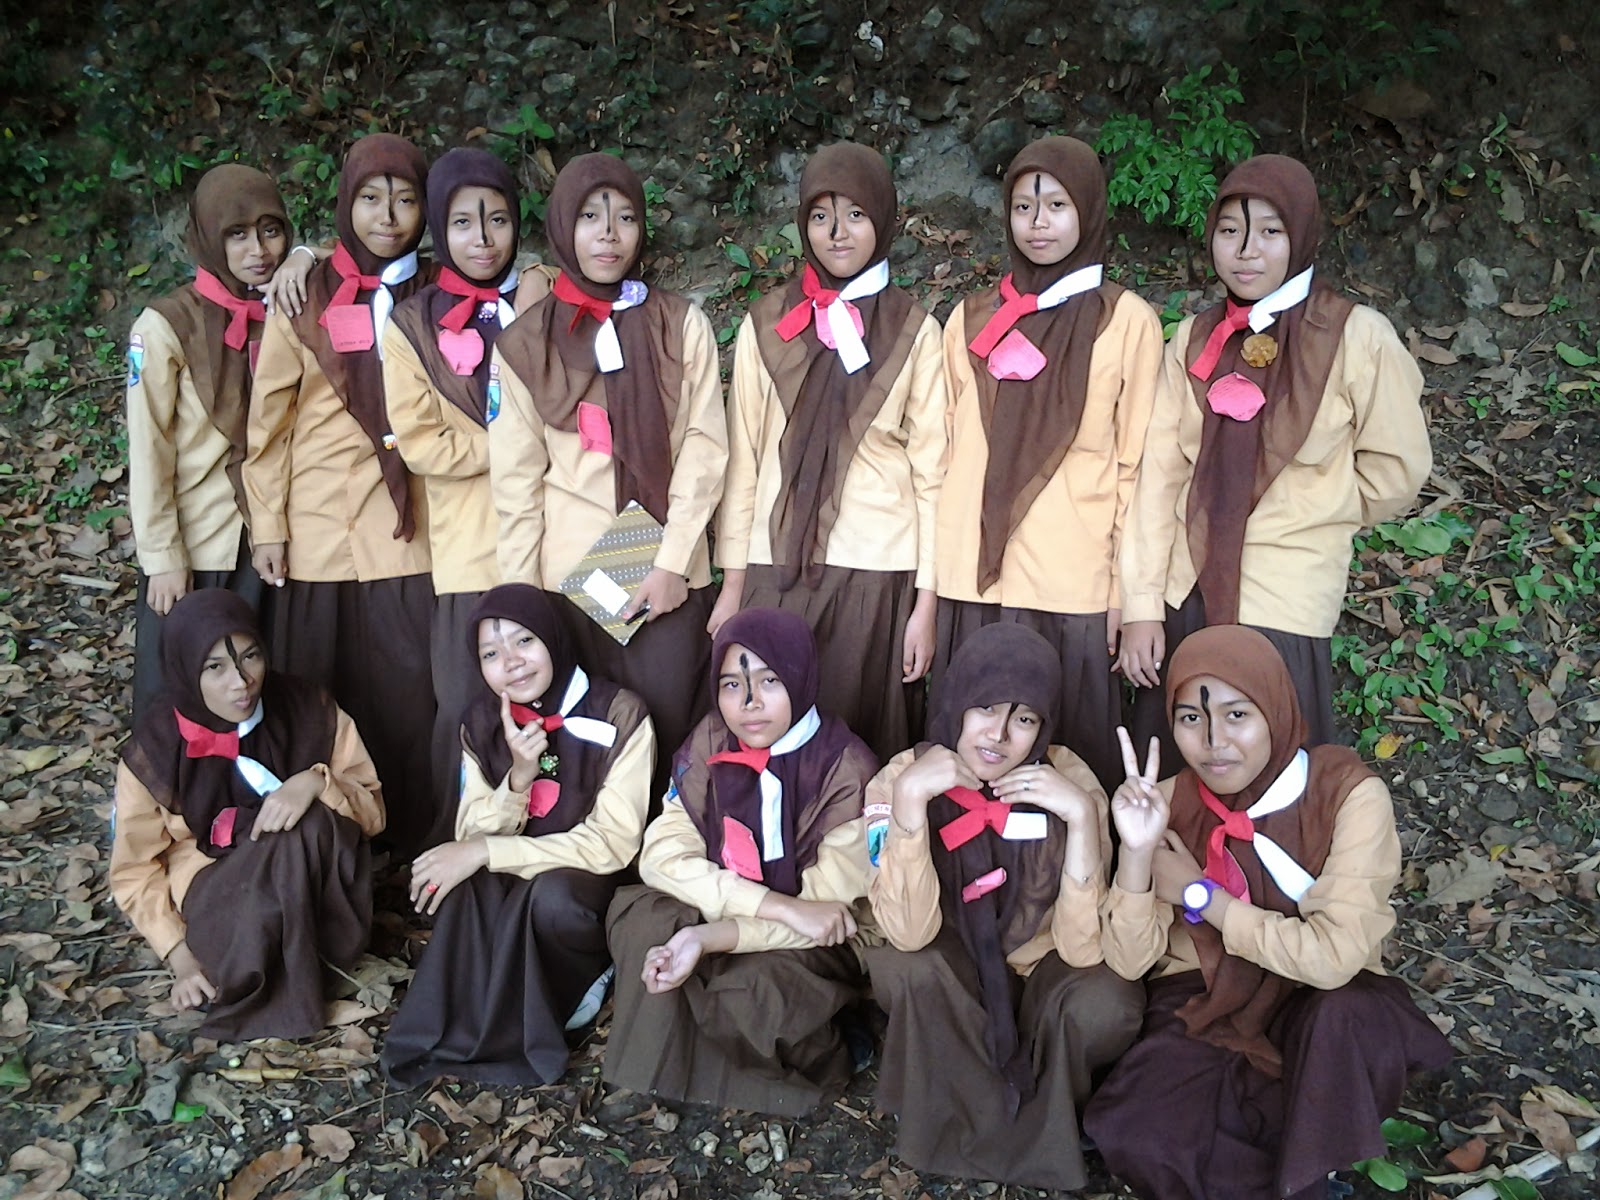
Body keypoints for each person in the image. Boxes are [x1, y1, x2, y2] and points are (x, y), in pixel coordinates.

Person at [1084, 625, 1451, 1199]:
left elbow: (1332, 960)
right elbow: (1130, 964)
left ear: (1275, 709)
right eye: (1191, 718)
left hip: (1323, 1000)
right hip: (1209, 995)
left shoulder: (1345, 794)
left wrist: (1202, 896)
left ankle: (1306, 1181)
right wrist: (1135, 853)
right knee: (1141, 1130)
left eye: (1237, 715)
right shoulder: (1168, 801)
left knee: (1340, 1028)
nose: (1214, 743)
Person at [1118, 155, 1431, 761]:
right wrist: (1142, 605)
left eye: (1269, 231)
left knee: (1271, 774)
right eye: (1230, 230)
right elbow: (1159, 478)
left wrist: (1316, 508)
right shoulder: (1193, 339)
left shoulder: (1355, 336)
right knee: (1178, 774)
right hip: (1189, 593)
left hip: (1285, 597)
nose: (1246, 251)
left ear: (1302, 234)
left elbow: (1396, 468)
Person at [865, 621, 1141, 1189]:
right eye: (985, 708)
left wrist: (1081, 819)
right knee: (903, 966)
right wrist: (911, 801)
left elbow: (1082, 949)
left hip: (1042, 974)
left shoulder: (1070, 778)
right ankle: (991, 1123)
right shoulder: (900, 775)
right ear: (957, 701)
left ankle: (1036, 1115)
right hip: (954, 971)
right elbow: (907, 931)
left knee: (1107, 1002)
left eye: (1025, 718)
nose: (999, 735)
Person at [489, 152, 727, 798]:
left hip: (665, 577)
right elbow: (515, 484)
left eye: (624, 217)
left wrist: (672, 561)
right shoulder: (525, 343)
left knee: (671, 733)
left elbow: (704, 450)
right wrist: (521, 608)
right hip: (568, 586)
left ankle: (670, 855)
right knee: (586, 747)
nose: (609, 234)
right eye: (590, 217)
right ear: (563, 226)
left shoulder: (679, 325)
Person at [934, 136, 1160, 793]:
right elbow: (941, 453)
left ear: (1088, 211)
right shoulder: (971, 319)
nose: (1038, 222)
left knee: (1067, 770)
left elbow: (1139, 471)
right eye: (1024, 206)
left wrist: (1129, 595)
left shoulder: (1125, 322)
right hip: (974, 585)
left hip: (1072, 587)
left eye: (1058, 205)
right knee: (966, 772)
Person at [709, 142, 947, 762]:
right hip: (774, 563)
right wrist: (734, 583)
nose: (837, 233)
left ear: (884, 218)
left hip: (876, 570)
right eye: (821, 216)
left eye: (856, 215)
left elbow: (933, 475)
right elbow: (745, 461)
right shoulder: (767, 323)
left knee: (859, 742)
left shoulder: (915, 330)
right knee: (769, 739)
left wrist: (926, 603)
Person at [244, 133, 441, 855]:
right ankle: (326, 852)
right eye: (370, 198)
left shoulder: (440, 289)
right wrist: (268, 524)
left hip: (408, 534)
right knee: (321, 695)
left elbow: (527, 274)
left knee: (408, 697)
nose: (387, 216)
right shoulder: (305, 294)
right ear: (344, 204)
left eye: (406, 199)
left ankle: (410, 846)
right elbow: (268, 425)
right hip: (320, 533)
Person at [602, 608, 878, 1116]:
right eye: (732, 684)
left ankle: (828, 1045)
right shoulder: (711, 737)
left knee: (755, 994)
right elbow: (661, 854)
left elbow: (822, 917)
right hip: (756, 910)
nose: (749, 703)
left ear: (800, 675)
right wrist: (769, 904)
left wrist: (709, 938)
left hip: (805, 943)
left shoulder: (847, 769)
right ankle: (673, 1068)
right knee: (644, 919)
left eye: (769, 680)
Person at [381, 584, 654, 1085]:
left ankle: (579, 981)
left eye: (524, 641)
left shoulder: (620, 712)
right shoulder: (481, 721)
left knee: (552, 899)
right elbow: (470, 828)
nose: (511, 663)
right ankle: (473, 1022)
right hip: (514, 867)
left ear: (553, 638)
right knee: (462, 883)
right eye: (491, 653)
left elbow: (612, 844)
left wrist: (490, 851)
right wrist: (519, 778)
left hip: (585, 881)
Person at [108, 589, 384, 1040]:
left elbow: (372, 814)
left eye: (250, 657)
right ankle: (272, 988)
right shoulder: (154, 751)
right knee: (274, 855)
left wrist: (315, 783)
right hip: (225, 903)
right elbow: (134, 870)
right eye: (214, 667)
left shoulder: (309, 709)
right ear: (184, 669)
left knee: (302, 827)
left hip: (321, 905)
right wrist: (180, 958)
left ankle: (303, 978)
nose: (241, 681)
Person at [383, 147, 521, 818]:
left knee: (561, 695)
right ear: (439, 228)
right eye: (463, 223)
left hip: (558, 541)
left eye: (498, 219)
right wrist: (516, 445)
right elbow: (420, 443)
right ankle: (463, 839)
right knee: (469, 704)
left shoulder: (544, 297)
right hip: (471, 548)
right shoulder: (410, 324)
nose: (483, 239)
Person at [127, 164, 290, 719]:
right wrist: (162, 557)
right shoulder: (166, 325)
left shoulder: (288, 307)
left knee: (267, 692)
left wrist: (303, 258)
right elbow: (149, 451)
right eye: (237, 234)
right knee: (182, 700)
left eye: (271, 231)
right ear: (207, 237)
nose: (258, 251)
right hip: (200, 547)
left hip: (274, 540)